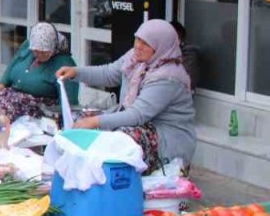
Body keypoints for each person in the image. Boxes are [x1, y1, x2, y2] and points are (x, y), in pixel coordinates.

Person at [55, 19, 196, 170]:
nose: (138, 46)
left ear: (160, 47)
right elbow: (109, 74)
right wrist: (75, 72)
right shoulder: (135, 58)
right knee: (77, 120)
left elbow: (137, 115)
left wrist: (95, 121)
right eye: (137, 39)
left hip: (166, 139)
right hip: (135, 121)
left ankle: (107, 177)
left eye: (145, 43)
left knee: (120, 139)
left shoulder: (168, 77)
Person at [0, 22, 78, 121]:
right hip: (14, 95)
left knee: (4, 110)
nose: (38, 55)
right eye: (35, 51)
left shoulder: (65, 64)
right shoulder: (28, 46)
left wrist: (64, 123)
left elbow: (69, 103)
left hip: (39, 105)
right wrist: (2, 84)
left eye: (43, 52)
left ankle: (0, 136)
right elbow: (14, 62)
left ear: (53, 47)